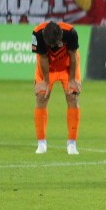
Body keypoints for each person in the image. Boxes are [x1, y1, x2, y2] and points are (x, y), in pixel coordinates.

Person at [32, 21, 82, 155]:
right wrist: (46, 81)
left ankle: (72, 143)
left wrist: (72, 79)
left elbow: (73, 56)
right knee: (42, 97)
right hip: (47, 69)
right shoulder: (37, 34)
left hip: (67, 68)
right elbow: (42, 57)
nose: (54, 47)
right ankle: (41, 143)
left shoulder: (71, 33)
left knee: (73, 97)